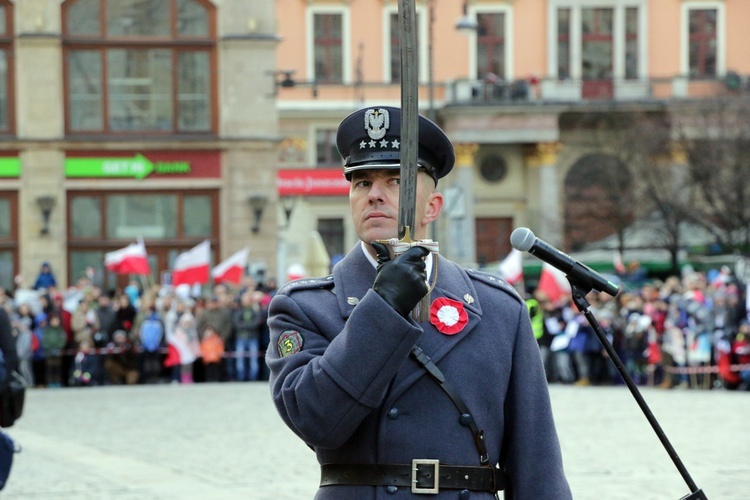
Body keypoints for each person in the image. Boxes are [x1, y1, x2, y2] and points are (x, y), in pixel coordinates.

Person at [266, 106, 571, 498]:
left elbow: (537, 463)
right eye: (361, 183)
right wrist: (383, 307)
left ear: (432, 207)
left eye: (395, 182)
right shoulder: (306, 307)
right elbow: (315, 420)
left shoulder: (497, 308)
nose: (374, 194)